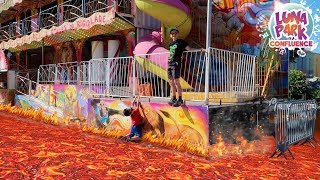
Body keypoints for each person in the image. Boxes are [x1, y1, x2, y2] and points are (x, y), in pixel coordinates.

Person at [167, 26, 194, 107]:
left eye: (175, 33)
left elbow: (189, 49)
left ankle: (180, 99)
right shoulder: (171, 44)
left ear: (177, 34)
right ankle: (173, 98)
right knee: (171, 82)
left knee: (176, 81)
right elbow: (171, 53)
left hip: (176, 63)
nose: (173, 34)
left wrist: (200, 49)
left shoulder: (181, 42)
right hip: (170, 63)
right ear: (170, 35)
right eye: (172, 33)